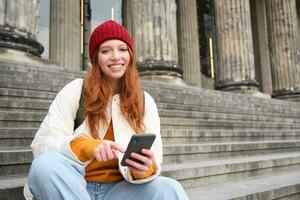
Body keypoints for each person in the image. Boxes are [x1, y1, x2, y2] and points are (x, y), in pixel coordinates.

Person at [24, 20, 189, 200]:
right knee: (44, 165)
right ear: (95, 58)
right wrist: (85, 146)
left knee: (170, 189)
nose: (116, 56)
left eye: (122, 49)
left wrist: (143, 169)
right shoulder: (76, 90)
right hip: (74, 186)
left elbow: (155, 157)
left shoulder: (145, 101)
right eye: (105, 51)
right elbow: (42, 145)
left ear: (131, 56)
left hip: (120, 191)